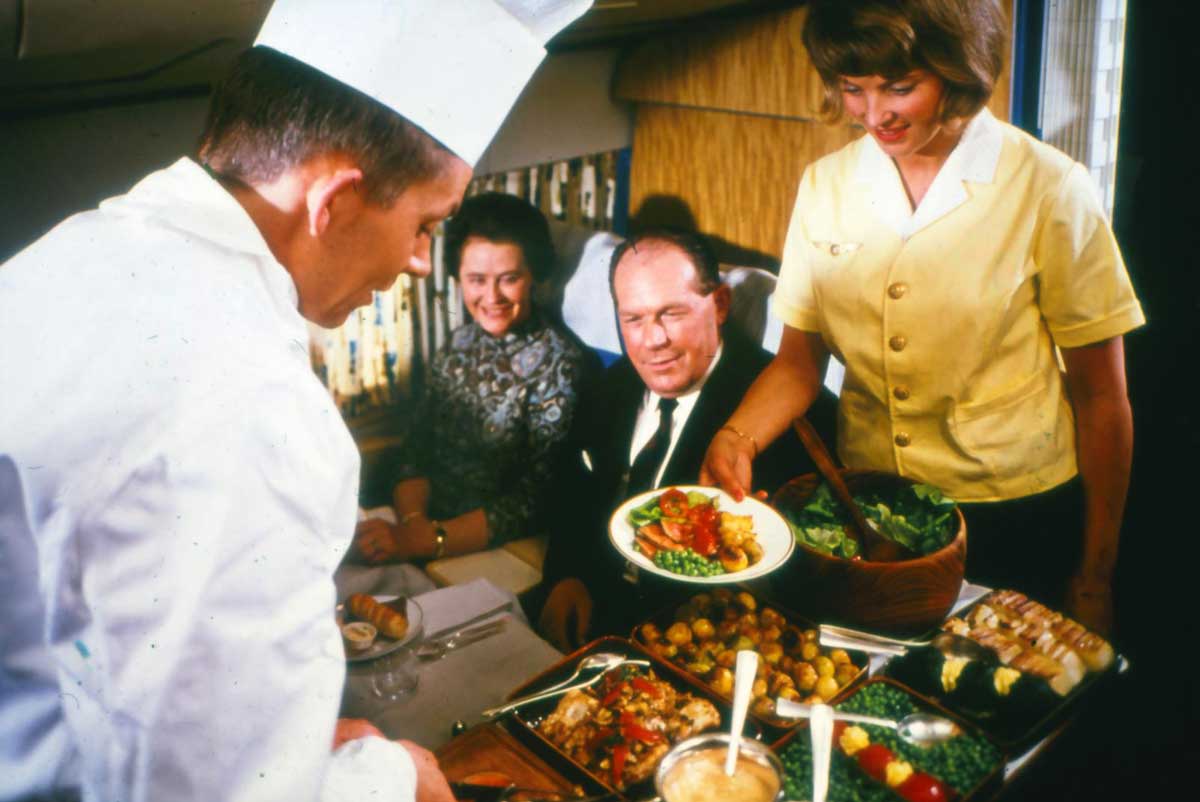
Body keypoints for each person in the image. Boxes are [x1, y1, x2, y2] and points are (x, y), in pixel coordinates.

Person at [0, 1, 592, 800]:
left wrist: (296, 740)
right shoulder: (253, 412)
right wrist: (389, 778)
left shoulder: (67, 255)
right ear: (336, 201)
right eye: (425, 223)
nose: (421, 263)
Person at [701, 0, 1144, 634]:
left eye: (899, 87)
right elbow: (800, 362)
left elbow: (1102, 398)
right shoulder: (825, 185)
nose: (873, 114)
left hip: (1013, 514)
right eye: (853, 89)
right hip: (868, 505)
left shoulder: (1049, 188)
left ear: (957, 70)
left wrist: (1096, 575)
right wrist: (735, 437)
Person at [537, 229, 835, 651]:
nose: (652, 340)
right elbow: (572, 493)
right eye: (633, 319)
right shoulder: (607, 386)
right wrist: (566, 577)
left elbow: (797, 578)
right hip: (593, 619)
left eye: (671, 314)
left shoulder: (787, 411)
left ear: (720, 305)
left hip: (702, 640)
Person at [354, 193, 592, 564]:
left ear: (534, 276)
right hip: (420, 528)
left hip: (492, 548)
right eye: (476, 280)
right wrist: (414, 523)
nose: (492, 296)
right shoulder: (461, 342)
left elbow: (532, 501)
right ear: (458, 278)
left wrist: (424, 540)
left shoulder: (560, 364)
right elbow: (416, 448)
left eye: (509, 279)